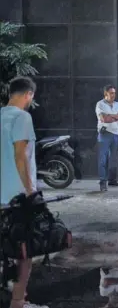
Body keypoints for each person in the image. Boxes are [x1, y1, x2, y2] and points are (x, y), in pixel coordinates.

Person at [1, 77, 49, 308]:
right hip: (16, 197)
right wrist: (31, 191)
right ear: (28, 94)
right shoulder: (22, 117)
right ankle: (18, 301)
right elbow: (20, 155)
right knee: (24, 250)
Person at [95, 85, 118, 191]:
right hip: (105, 134)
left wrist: (111, 116)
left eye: (114, 93)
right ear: (105, 94)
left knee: (113, 159)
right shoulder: (100, 104)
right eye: (111, 93)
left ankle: (112, 180)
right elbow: (104, 119)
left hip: (116, 134)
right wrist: (116, 117)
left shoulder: (117, 104)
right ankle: (103, 182)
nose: (113, 95)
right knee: (103, 159)